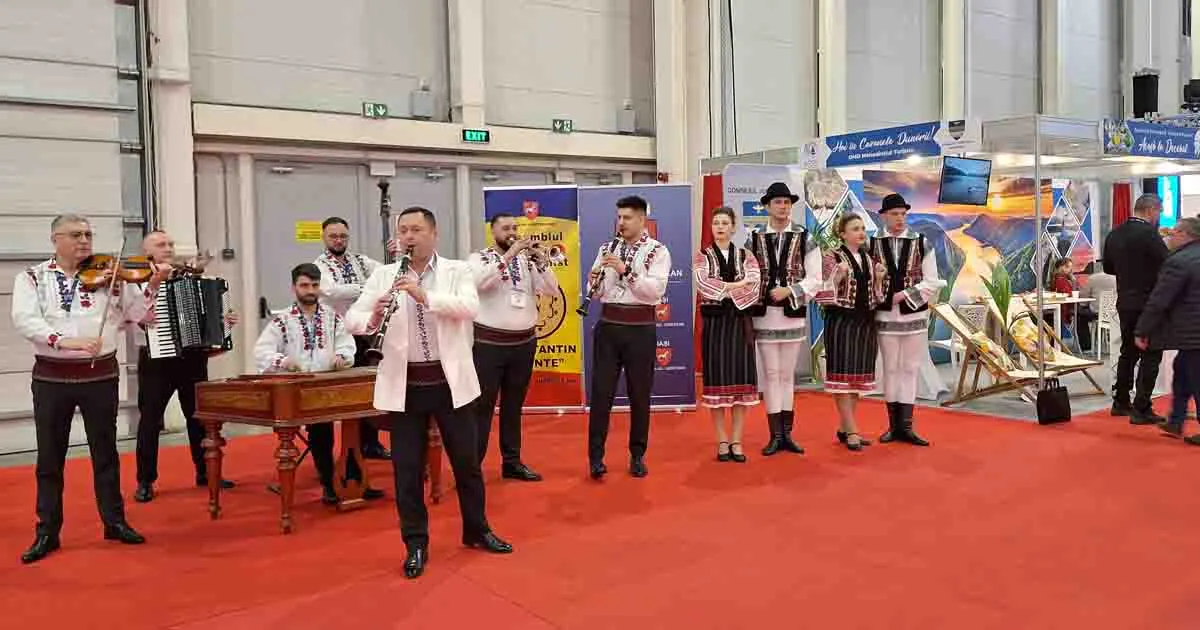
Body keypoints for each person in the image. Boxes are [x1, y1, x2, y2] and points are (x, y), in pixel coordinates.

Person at [346, 206, 511, 579]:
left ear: (433, 234)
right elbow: (352, 319)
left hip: (450, 384)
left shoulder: (457, 271)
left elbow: (470, 307)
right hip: (404, 387)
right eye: (403, 230)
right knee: (406, 471)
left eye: (416, 229)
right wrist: (373, 315)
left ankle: (477, 529)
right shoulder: (383, 275)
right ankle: (415, 543)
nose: (408, 236)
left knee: (467, 464)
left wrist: (425, 297)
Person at [11, 215, 170, 563]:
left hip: (100, 375)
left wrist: (154, 285)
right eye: (75, 234)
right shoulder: (33, 278)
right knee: (50, 458)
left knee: (106, 453)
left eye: (88, 234)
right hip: (52, 377)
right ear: (56, 238)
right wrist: (65, 341)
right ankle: (47, 532)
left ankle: (114, 521)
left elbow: (140, 314)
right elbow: (25, 320)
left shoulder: (111, 274)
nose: (84, 240)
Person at [254, 263, 384, 503]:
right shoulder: (282, 321)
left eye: (314, 285)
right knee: (321, 432)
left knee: (354, 426)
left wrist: (343, 358)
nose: (310, 290)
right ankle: (329, 484)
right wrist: (283, 361)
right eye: (305, 285)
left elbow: (347, 345)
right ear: (294, 288)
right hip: (303, 387)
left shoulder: (333, 318)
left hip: (331, 382)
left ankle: (356, 481)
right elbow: (261, 352)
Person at [133, 231, 238, 503]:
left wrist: (223, 321)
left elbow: (205, 315)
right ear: (146, 251)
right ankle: (145, 480)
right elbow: (137, 317)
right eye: (160, 244)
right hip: (156, 358)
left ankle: (205, 471)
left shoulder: (189, 276)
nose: (167, 248)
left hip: (192, 357)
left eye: (170, 244)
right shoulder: (134, 280)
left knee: (199, 417)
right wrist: (154, 284)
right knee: (150, 420)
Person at [467, 213, 558, 481]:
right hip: (488, 344)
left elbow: (552, 289)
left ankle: (512, 461)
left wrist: (541, 263)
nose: (512, 232)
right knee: (482, 407)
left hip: (523, 343)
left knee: (513, 405)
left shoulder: (526, 260)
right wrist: (508, 256)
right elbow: (479, 284)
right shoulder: (479, 258)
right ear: (492, 232)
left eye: (515, 228)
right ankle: (472, 467)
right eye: (505, 228)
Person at [586, 195, 671, 480]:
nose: (621, 223)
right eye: (619, 217)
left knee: (639, 394)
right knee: (601, 394)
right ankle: (595, 458)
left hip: (640, 330)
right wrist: (593, 281)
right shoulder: (607, 248)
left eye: (627, 218)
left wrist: (626, 270)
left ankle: (637, 455)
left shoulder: (658, 251)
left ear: (642, 220)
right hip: (609, 327)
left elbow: (654, 292)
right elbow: (596, 293)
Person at [745, 182, 823, 456]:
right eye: (778, 202)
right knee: (770, 375)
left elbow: (816, 278)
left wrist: (789, 290)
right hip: (764, 316)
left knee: (787, 375)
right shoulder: (753, 238)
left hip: (791, 314)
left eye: (787, 202)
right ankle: (775, 435)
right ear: (767, 206)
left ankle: (787, 434)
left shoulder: (805, 236)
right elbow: (747, 276)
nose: (783, 206)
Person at [869, 193, 942, 446]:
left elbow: (932, 281)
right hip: (886, 315)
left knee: (910, 368)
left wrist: (902, 296)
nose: (899, 218)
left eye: (902, 214)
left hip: (913, 313)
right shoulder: (872, 244)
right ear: (884, 216)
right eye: (894, 214)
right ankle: (893, 425)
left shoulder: (922, 243)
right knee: (890, 368)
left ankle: (907, 426)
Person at [314, 217, 389, 460]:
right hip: (336, 335)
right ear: (324, 238)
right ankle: (342, 450)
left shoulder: (360, 260)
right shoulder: (319, 265)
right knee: (344, 393)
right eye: (333, 236)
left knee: (369, 390)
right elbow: (332, 291)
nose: (338, 240)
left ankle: (370, 443)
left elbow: (387, 274)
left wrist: (394, 255)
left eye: (343, 236)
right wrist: (368, 288)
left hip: (364, 332)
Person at [694, 206, 761, 463]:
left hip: (740, 324)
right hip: (715, 326)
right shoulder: (702, 256)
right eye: (716, 223)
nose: (720, 227)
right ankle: (722, 439)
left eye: (724, 222)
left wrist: (726, 289)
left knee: (741, 384)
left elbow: (754, 285)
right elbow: (704, 285)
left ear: (733, 227)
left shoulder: (746, 255)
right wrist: (736, 285)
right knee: (718, 385)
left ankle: (736, 439)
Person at [816, 214, 888, 451]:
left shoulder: (869, 259)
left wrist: (878, 279)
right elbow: (822, 291)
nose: (860, 232)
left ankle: (845, 428)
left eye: (862, 228)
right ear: (843, 234)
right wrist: (838, 274)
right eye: (855, 229)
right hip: (841, 322)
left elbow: (877, 297)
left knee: (856, 379)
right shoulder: (831, 257)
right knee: (842, 379)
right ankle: (853, 429)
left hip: (865, 322)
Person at [1133, 218, 1200, 444]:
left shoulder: (1179, 262)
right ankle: (1176, 420)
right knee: (1182, 371)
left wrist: (1142, 329)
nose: (1169, 236)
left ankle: (1178, 420)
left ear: (1184, 234)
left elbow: (1160, 299)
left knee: (1194, 376)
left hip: (1192, 332)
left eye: (1173, 231)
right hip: (1192, 334)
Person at [1103, 193, 1168, 424]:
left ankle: (1120, 402)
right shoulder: (1150, 235)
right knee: (1151, 354)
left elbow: (1109, 268)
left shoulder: (1114, 234)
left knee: (1127, 353)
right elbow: (1166, 264)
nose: (1159, 217)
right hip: (1148, 304)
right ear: (1151, 210)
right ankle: (1142, 407)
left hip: (1125, 302)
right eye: (1159, 212)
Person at [1049, 258, 1085, 354]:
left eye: (1070, 267)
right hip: (1063, 309)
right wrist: (1073, 281)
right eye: (1067, 267)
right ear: (1060, 267)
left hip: (1060, 308)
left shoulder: (1058, 278)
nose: (1069, 269)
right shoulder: (1061, 280)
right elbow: (1070, 293)